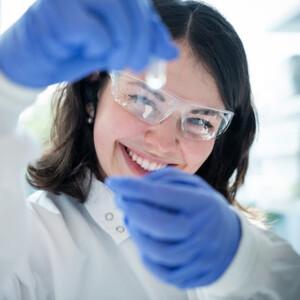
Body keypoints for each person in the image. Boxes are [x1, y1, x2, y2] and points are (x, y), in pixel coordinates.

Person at [0, 0, 299, 299]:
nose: (162, 142)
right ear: (93, 96)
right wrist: (5, 90)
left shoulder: (239, 250)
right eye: (144, 100)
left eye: (199, 120)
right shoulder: (28, 243)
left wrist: (245, 264)